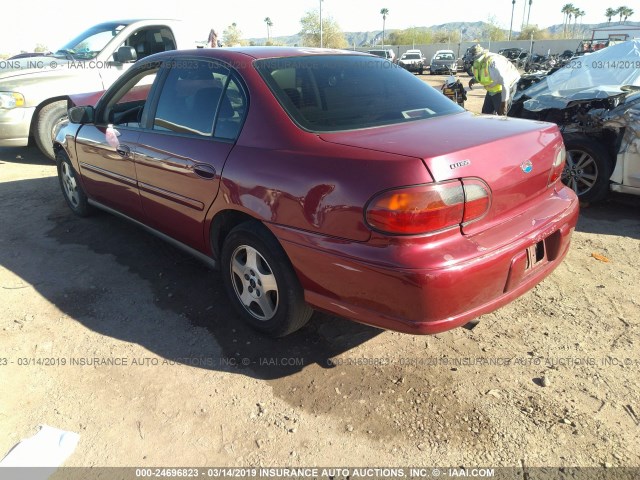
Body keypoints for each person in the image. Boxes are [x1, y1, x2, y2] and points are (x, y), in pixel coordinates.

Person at [468, 44, 520, 115]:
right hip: (493, 88)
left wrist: (504, 102)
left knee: (501, 113)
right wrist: (474, 80)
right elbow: (483, 74)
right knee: (486, 113)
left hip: (507, 85)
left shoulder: (493, 63)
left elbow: (505, 83)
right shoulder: (479, 62)